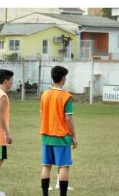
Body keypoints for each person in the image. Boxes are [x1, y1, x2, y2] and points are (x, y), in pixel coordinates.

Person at [40, 66, 78, 196]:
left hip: (46, 135)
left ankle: (45, 194)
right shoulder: (66, 97)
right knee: (63, 166)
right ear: (62, 78)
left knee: (46, 165)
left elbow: (42, 113)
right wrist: (74, 136)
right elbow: (68, 118)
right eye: (65, 76)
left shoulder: (44, 94)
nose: (66, 79)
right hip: (61, 136)